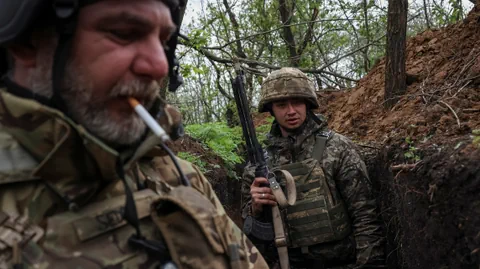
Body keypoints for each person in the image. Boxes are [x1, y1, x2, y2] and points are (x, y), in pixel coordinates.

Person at [0, 0, 268, 268]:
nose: (159, 66)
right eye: (123, 33)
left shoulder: (179, 176)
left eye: (164, 42)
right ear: (29, 43)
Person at [241, 67, 385, 268]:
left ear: (308, 104)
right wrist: (255, 208)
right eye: (282, 105)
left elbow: (365, 216)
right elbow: (247, 234)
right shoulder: (259, 164)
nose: (291, 111)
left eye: (297, 102)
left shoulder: (337, 148)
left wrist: (369, 265)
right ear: (271, 109)